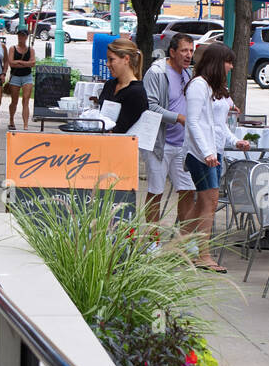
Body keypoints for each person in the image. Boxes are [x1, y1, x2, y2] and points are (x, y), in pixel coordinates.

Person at [182, 44, 249, 272]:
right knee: (209, 203)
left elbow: (219, 126)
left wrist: (234, 142)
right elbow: (192, 123)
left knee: (203, 203)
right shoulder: (198, 86)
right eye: (228, 61)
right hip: (201, 154)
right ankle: (203, 255)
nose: (231, 66)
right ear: (217, 62)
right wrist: (207, 153)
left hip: (212, 152)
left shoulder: (216, 87)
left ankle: (176, 248)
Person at [142, 33, 196, 224]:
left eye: (191, 50)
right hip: (160, 145)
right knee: (156, 192)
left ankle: (185, 240)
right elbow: (150, 105)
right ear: (172, 52)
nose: (188, 55)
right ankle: (152, 240)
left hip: (182, 145)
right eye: (184, 50)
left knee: (188, 191)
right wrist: (178, 118)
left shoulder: (187, 73)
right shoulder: (157, 72)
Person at [98, 37, 149, 133]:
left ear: (126, 59)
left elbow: (123, 129)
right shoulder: (109, 85)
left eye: (111, 59)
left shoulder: (136, 93)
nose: (107, 64)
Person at [4, 28, 38, 131]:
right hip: (15, 77)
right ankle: (11, 120)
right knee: (14, 100)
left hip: (27, 76)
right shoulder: (12, 49)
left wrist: (20, 63)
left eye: (23, 36)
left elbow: (32, 63)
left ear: (26, 37)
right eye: (19, 36)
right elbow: (11, 63)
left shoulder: (30, 50)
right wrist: (24, 64)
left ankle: (25, 124)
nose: (21, 38)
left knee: (26, 100)